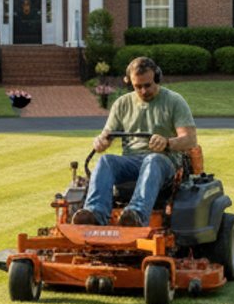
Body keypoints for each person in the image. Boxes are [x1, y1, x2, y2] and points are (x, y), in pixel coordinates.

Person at [72, 55, 199, 227]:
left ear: (157, 77)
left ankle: (135, 216)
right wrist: (100, 142)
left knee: (152, 159)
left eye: (147, 85)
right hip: (131, 160)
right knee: (106, 161)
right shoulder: (122, 104)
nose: (143, 91)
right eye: (138, 87)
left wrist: (167, 142)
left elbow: (190, 140)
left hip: (165, 161)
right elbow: (106, 136)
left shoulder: (174, 101)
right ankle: (94, 214)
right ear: (129, 83)